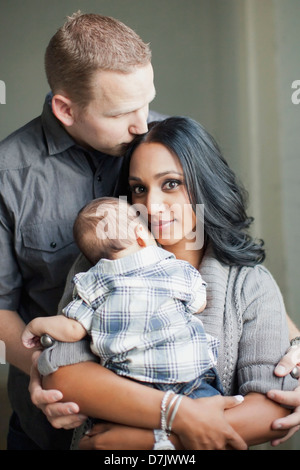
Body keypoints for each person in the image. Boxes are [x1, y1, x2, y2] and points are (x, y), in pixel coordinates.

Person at [37, 117, 299, 450]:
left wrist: (143, 440)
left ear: (205, 184)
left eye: (171, 184)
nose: (152, 206)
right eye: (139, 188)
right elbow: (64, 375)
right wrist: (180, 415)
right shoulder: (102, 265)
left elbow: (272, 408)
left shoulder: (250, 284)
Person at [0, 11, 159, 450]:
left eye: (146, 102)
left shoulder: (170, 146)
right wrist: (45, 368)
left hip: (168, 423)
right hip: (50, 427)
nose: (142, 125)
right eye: (123, 111)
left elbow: (227, 256)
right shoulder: (6, 176)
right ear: (65, 109)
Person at [23, 196, 224, 447]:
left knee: (115, 431)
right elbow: (199, 304)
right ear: (141, 235)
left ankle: (156, 439)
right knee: (214, 423)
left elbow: (73, 329)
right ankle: (167, 440)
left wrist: (37, 325)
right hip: (189, 375)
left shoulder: (91, 281)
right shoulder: (173, 267)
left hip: (130, 385)